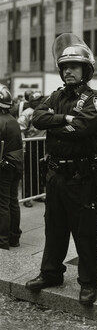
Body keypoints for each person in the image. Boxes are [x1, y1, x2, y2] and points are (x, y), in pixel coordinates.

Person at [25, 33, 97, 306]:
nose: (68, 70)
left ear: (86, 70)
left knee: (84, 232)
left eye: (74, 66)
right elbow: (38, 118)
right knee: (54, 227)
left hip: (82, 177)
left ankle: (88, 282)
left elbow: (81, 128)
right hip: (55, 175)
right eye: (65, 67)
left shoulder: (94, 100)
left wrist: (59, 124)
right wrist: (64, 118)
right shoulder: (56, 96)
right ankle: (51, 273)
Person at [0, 84, 23, 250]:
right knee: (13, 201)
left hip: (5, 166)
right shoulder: (13, 121)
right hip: (17, 164)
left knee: (3, 204)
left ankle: (2, 241)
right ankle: (15, 237)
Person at [17, 92, 46, 208]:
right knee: (29, 172)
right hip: (30, 145)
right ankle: (27, 197)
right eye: (38, 100)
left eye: (41, 100)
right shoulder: (26, 113)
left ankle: (38, 194)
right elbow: (20, 130)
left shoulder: (43, 112)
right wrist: (23, 146)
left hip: (41, 145)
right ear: (32, 102)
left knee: (39, 170)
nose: (40, 102)